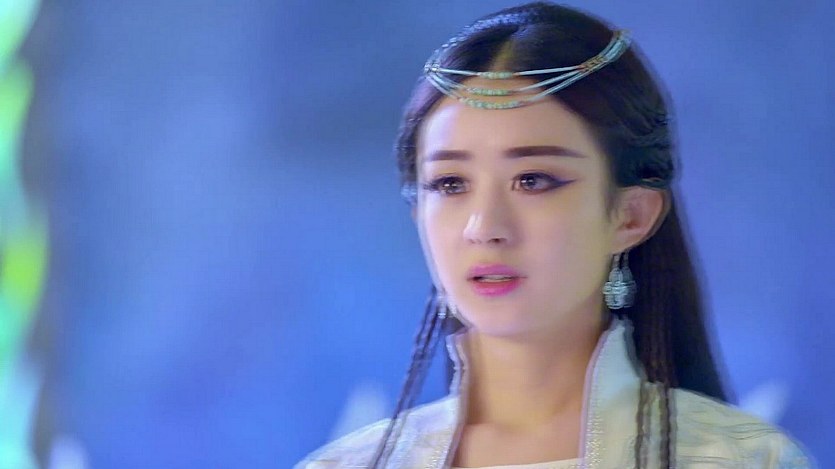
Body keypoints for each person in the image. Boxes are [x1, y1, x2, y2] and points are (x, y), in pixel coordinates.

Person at [296, 2, 813, 468]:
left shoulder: (744, 459)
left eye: (533, 180)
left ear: (631, 216)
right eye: (451, 183)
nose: (484, 227)